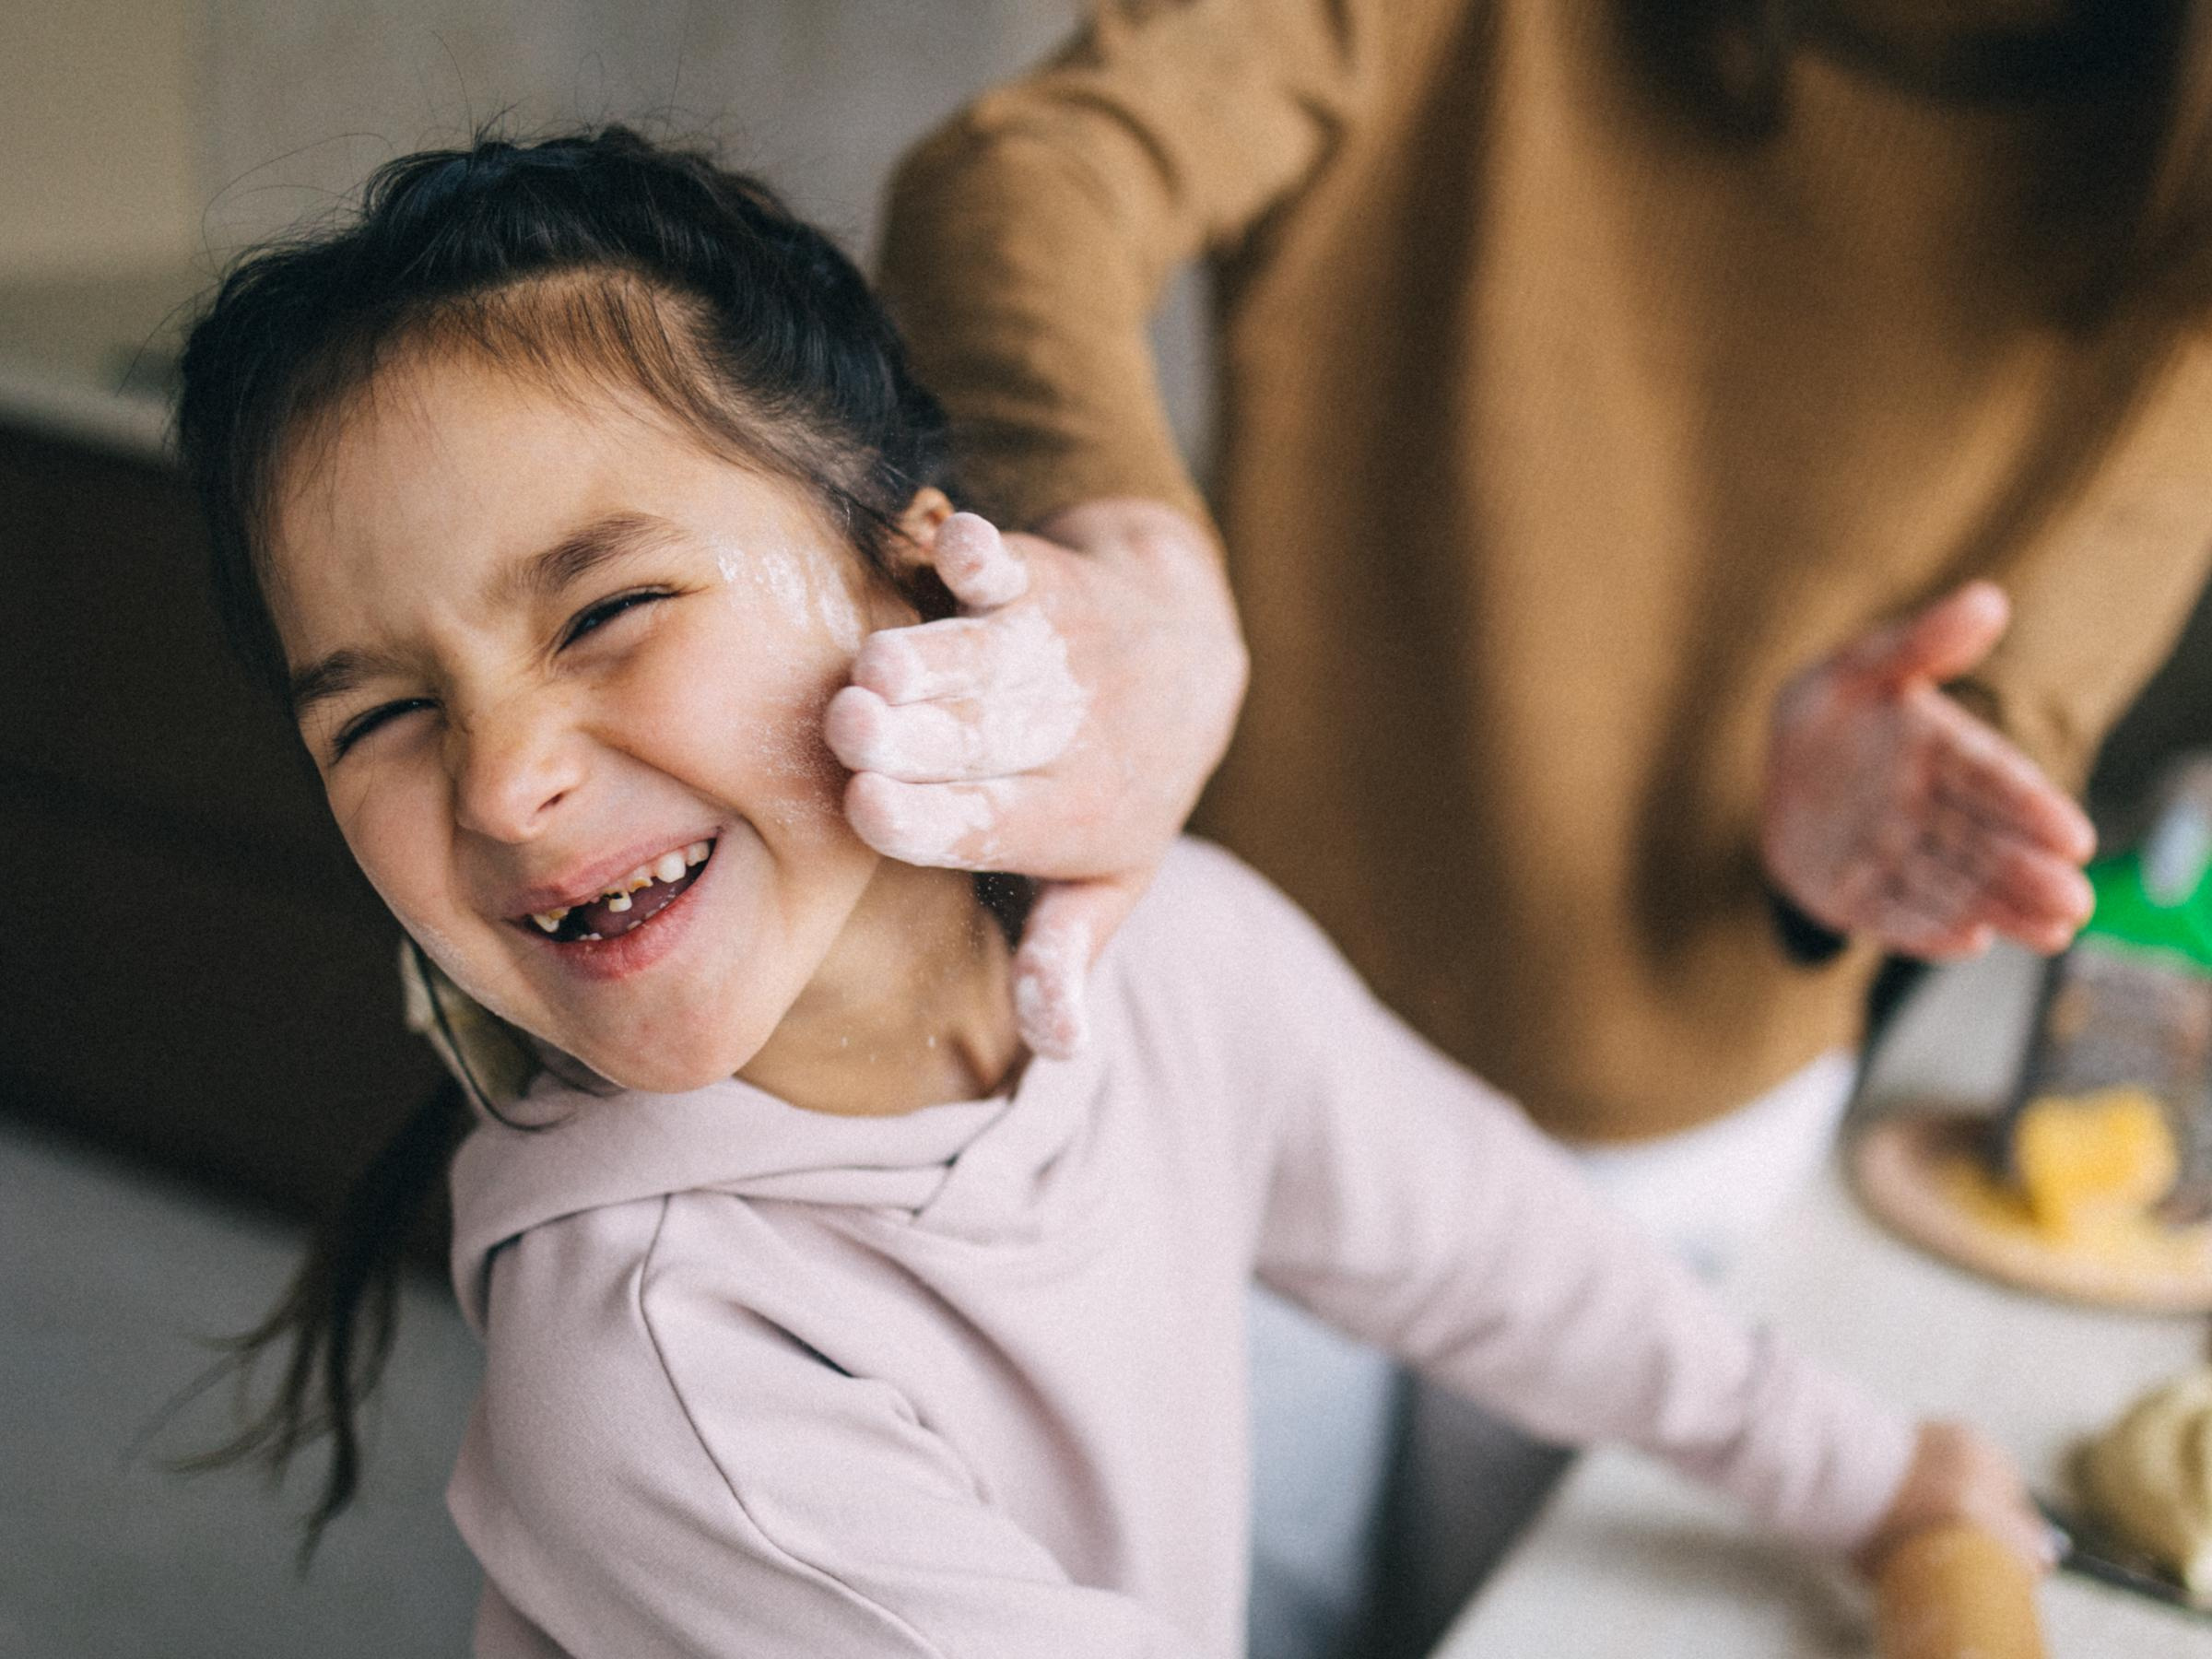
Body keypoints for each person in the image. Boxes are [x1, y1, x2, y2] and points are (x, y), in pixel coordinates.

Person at [177, 130, 2044, 1657]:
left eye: (608, 611)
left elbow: (1506, 1256)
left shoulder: (1179, 964)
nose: (505, 782)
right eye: (387, 716)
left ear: (917, 569)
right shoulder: (661, 1363)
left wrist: (1883, 1483)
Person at [864, 1, 2212, 1645]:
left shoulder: (2180, 164)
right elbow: (1018, 182)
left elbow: (2034, 677)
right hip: (1243, 1043)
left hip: (1674, 1136)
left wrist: (1912, 796)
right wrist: (1133, 552)